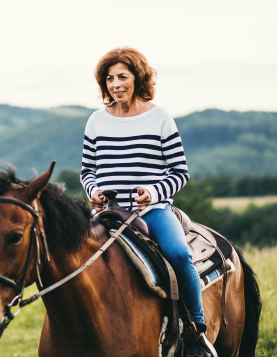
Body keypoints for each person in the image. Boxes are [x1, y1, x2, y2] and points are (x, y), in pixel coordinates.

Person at [80, 47, 215, 357]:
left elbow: (180, 172)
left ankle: (196, 333)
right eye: (110, 78)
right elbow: (88, 170)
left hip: (151, 211)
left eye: (122, 77)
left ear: (137, 78)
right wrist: (92, 191)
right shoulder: (95, 121)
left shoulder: (160, 117)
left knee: (180, 255)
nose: (115, 84)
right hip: (107, 213)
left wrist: (153, 193)